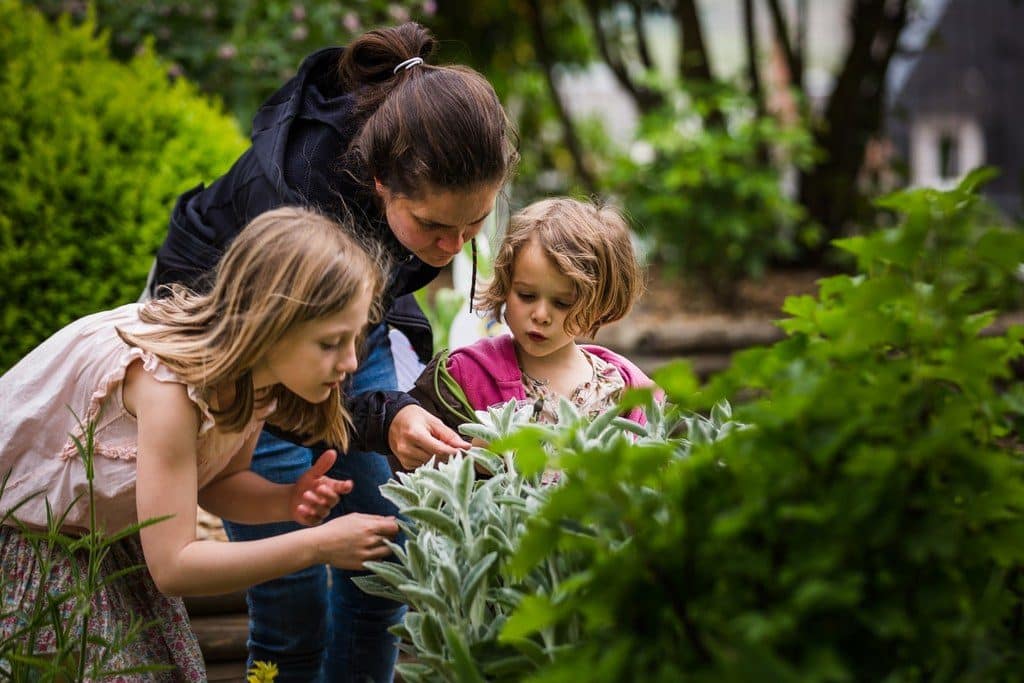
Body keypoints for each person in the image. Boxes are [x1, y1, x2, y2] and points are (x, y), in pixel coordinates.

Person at [147, 22, 518, 683]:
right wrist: (385, 417)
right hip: (244, 348)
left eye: (475, 222)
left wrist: (396, 406)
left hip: (347, 314)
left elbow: (385, 298)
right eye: (434, 226)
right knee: (292, 596)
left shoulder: (419, 177)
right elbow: (284, 391)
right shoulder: (292, 202)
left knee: (383, 555)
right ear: (381, 182)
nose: (455, 244)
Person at [0, 207, 401, 681]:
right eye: (330, 343)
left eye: (354, 338)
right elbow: (174, 566)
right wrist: (316, 545)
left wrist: (286, 501)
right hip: (33, 547)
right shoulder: (169, 391)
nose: (352, 362)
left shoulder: (257, 381)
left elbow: (217, 483)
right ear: (271, 324)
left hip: (98, 544)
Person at [410, 197, 654, 479]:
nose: (540, 314)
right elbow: (412, 468)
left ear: (599, 306)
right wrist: (468, 458)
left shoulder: (622, 391)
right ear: (505, 284)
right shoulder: (464, 376)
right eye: (526, 295)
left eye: (563, 303)